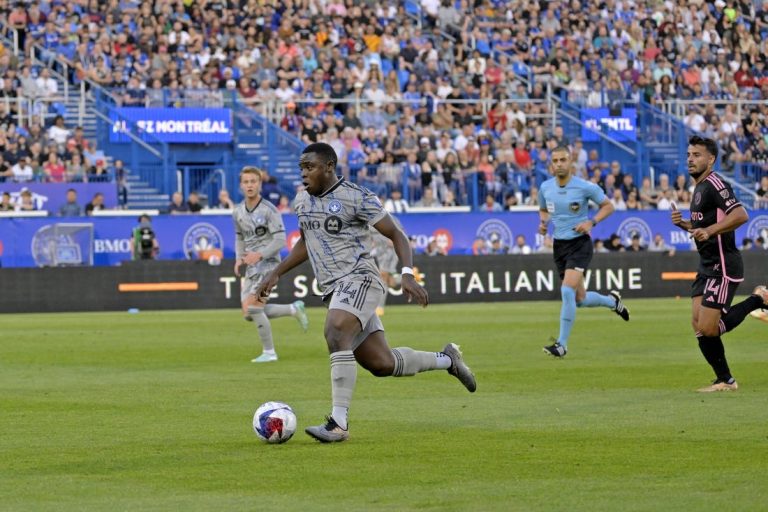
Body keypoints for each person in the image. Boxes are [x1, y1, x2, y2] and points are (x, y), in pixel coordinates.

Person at [257, 143, 476, 443]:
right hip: (334, 290)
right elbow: (307, 242)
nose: (304, 174)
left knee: (335, 331)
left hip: (361, 279)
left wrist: (407, 274)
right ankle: (448, 360)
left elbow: (396, 233)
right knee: (382, 364)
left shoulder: (356, 197)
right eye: (302, 168)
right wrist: (276, 272)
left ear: (329, 166)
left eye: (310, 167)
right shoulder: (301, 201)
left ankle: (338, 424)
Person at [670, 136, 768, 392]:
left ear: (711, 159)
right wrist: (685, 225)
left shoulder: (715, 183)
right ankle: (725, 380)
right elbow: (703, 227)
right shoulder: (699, 187)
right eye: (689, 154)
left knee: (709, 327)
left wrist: (711, 230)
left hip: (723, 265)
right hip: (706, 264)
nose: (690, 158)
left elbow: (741, 215)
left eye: (697, 155)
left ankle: (759, 299)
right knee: (698, 324)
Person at [538, 145, 630, 358]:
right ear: (551, 164)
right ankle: (612, 302)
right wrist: (543, 223)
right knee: (579, 298)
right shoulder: (545, 187)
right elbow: (544, 209)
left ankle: (561, 345)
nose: (559, 164)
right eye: (556, 160)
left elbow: (608, 206)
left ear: (571, 162)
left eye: (563, 160)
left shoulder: (584, 187)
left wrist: (592, 222)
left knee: (567, 291)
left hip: (580, 244)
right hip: (559, 246)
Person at [233, 166, 309, 363]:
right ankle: (293, 309)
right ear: (241, 185)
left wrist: (259, 254)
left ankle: (269, 352)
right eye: (246, 182)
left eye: (253, 182)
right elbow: (239, 236)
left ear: (260, 184)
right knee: (248, 313)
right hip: (251, 266)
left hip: (268, 265)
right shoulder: (238, 211)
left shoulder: (270, 210)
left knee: (254, 309)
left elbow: (280, 241)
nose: (250, 185)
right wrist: (239, 257)